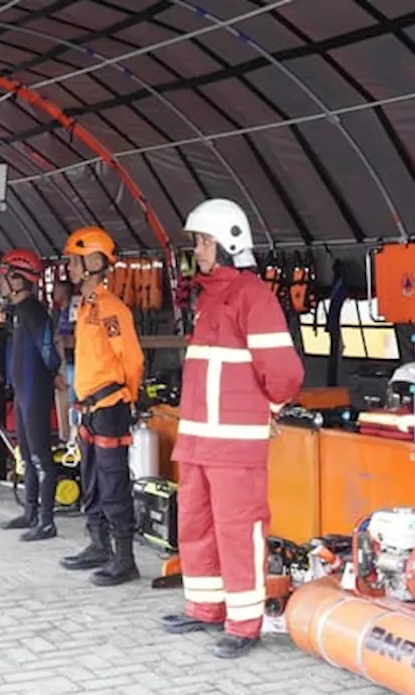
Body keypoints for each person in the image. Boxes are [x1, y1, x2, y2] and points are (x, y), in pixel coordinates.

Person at [158, 199, 304, 658]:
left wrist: (272, 409)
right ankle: (204, 606)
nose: (197, 249)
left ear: (227, 244)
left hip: (235, 447)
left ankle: (244, 621)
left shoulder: (253, 297)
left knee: (239, 531)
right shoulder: (209, 297)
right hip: (199, 441)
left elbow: (284, 371)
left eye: (203, 241)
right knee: (197, 525)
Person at [58, 227, 145, 587]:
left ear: (94, 262)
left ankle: (124, 559)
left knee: (113, 481)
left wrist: (129, 395)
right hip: (89, 407)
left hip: (110, 407)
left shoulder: (111, 308)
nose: (70, 268)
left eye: (74, 261)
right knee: (91, 477)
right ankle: (98, 544)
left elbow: (133, 359)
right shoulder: (86, 307)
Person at [0, 248, 62, 541]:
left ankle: (47, 520)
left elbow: (48, 351)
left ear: (20, 279)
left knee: (40, 456)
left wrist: (54, 371)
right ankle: (31, 512)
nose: (1, 283)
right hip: (24, 390)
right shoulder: (18, 313)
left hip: (35, 389)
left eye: (6, 277)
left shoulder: (34, 312)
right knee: (27, 453)